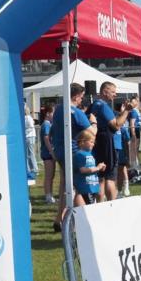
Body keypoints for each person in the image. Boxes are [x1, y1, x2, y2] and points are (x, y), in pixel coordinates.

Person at [50, 82, 92, 232]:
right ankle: (78, 223)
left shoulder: (58, 109)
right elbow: (91, 132)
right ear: (75, 96)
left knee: (65, 186)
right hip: (73, 152)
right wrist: (93, 121)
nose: (82, 100)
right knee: (77, 186)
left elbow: (53, 130)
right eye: (81, 97)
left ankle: (59, 219)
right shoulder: (76, 112)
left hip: (60, 150)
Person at [86, 81, 132, 201]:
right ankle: (112, 205)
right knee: (109, 177)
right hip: (106, 144)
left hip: (99, 144)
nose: (115, 94)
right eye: (113, 92)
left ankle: (100, 205)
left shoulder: (95, 105)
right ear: (104, 91)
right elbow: (116, 125)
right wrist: (127, 111)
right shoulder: (102, 105)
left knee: (101, 177)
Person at [72, 130, 105, 206]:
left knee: (91, 205)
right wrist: (97, 168)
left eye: (94, 142)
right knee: (89, 206)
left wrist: (99, 168)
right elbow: (82, 170)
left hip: (92, 186)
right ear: (83, 142)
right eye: (91, 142)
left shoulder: (90, 154)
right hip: (85, 187)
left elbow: (91, 168)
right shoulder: (79, 155)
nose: (93, 144)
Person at [39, 105, 56, 203]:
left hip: (49, 153)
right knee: (49, 175)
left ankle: (51, 195)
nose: (54, 115)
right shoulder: (46, 124)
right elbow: (46, 139)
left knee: (52, 175)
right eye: (53, 112)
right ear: (48, 113)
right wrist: (52, 151)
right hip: (47, 154)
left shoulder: (49, 124)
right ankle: (48, 196)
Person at [23, 101, 38, 186]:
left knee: (31, 153)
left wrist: (24, 132)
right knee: (28, 154)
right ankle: (29, 169)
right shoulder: (25, 117)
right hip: (27, 137)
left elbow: (31, 127)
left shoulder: (28, 118)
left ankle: (34, 169)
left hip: (30, 136)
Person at [117, 121, 131, 197]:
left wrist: (128, 158)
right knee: (118, 173)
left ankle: (125, 187)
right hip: (114, 154)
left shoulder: (123, 130)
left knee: (122, 170)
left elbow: (127, 143)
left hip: (121, 154)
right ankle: (119, 191)